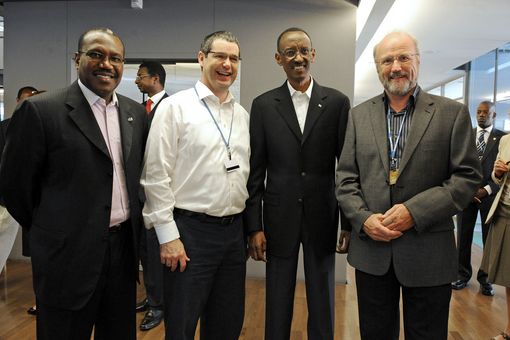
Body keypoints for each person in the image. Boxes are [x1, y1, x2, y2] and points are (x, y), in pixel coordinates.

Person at [0, 28, 148, 340]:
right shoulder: (41, 111)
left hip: (122, 255)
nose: (106, 63)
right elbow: (14, 188)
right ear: (77, 58)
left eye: (115, 58)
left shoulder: (134, 113)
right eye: (96, 54)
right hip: (65, 259)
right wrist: (52, 230)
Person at [335, 31, 481, 340]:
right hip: (373, 253)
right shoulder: (358, 116)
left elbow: (467, 177)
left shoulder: (451, 114)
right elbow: (346, 178)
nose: (396, 67)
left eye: (404, 57)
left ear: (418, 61)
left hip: (428, 252)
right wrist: (363, 219)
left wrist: (414, 212)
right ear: (378, 68)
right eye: (387, 60)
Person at [141, 31, 250, 340]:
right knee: (182, 325)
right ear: (202, 58)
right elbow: (155, 174)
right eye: (220, 56)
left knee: (226, 324)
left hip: (232, 235)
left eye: (233, 58)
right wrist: (168, 236)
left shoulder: (241, 115)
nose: (227, 64)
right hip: (189, 235)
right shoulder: (175, 108)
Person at [244, 27, 351, 340]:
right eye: (290, 52)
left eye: (304, 50)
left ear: (313, 54)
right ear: (279, 59)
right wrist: (254, 226)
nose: (298, 57)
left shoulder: (337, 102)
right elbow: (255, 170)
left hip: (323, 213)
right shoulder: (263, 105)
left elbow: (345, 169)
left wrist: (348, 223)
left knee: (323, 296)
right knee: (277, 296)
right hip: (278, 216)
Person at [452, 101, 505, 296]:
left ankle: (486, 280)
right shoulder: (467, 135)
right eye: (479, 112)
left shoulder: (503, 139)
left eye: (486, 112)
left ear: (494, 115)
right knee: (463, 238)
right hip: (466, 196)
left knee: (487, 240)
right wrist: (467, 190)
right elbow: (458, 165)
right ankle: (461, 276)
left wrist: (487, 189)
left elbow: (505, 172)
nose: (482, 115)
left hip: (489, 197)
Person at [0, 86, 43, 316]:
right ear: (18, 101)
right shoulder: (4, 127)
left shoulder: (41, 127)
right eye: (25, 101)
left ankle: (44, 300)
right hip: (10, 200)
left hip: (37, 204)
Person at [134, 60, 168, 331]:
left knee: (157, 254)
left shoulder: (171, 108)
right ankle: (151, 297)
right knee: (144, 252)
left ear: (155, 79)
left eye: (141, 76)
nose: (136, 80)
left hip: (159, 195)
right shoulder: (137, 109)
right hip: (137, 194)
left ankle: (159, 305)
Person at [481, 135, 510, 340]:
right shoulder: (506, 140)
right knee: (509, 278)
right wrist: (498, 172)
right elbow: (496, 176)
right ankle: (509, 330)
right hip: (504, 213)